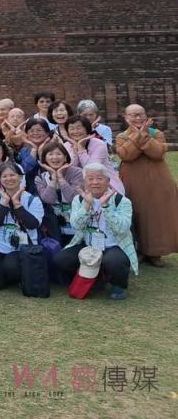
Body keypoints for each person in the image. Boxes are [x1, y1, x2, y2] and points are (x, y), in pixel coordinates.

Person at [52, 164, 138, 299]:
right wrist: (87, 206)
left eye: (99, 178)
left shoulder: (122, 201)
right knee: (61, 259)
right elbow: (76, 225)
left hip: (114, 245)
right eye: (90, 179)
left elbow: (122, 228)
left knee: (114, 261)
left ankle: (119, 284)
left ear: (108, 181)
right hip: (89, 245)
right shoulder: (79, 199)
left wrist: (106, 206)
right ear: (85, 182)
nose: (95, 182)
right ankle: (96, 277)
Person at [115, 104, 178, 266]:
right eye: (133, 115)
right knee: (137, 214)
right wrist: (138, 135)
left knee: (157, 216)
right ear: (126, 117)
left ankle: (156, 252)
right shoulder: (122, 136)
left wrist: (142, 136)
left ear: (146, 116)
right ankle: (139, 250)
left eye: (140, 115)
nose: (137, 118)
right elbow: (126, 155)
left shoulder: (156, 133)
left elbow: (157, 153)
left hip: (158, 181)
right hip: (132, 182)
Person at [0, 162, 44, 291]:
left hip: (23, 247)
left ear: (21, 177)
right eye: (4, 176)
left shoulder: (32, 199)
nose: (9, 179)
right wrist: (4, 203)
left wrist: (17, 205)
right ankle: (8, 274)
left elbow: (33, 225)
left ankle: (19, 275)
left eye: (12, 175)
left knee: (11, 265)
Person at [32, 140, 82, 245]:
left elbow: (73, 198)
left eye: (58, 154)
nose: (54, 157)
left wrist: (61, 178)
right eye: (50, 154)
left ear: (65, 157)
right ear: (45, 158)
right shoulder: (40, 178)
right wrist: (53, 179)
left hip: (78, 224)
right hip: (56, 227)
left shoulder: (77, 172)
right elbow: (48, 199)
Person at [64, 115, 124, 195]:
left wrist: (81, 148)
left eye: (79, 128)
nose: (75, 131)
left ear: (87, 129)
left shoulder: (99, 144)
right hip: (82, 189)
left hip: (107, 187)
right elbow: (71, 168)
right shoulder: (67, 146)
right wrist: (75, 150)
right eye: (72, 128)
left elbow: (92, 168)